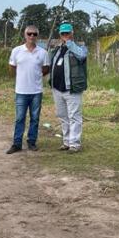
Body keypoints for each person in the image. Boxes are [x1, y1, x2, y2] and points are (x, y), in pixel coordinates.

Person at [7, 25, 50, 154]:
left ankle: (32, 141)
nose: (32, 36)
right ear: (25, 35)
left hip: (36, 91)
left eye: (34, 34)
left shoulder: (43, 53)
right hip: (21, 91)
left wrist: (35, 76)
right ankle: (17, 143)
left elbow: (46, 68)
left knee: (35, 118)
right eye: (29, 34)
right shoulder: (16, 51)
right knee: (20, 118)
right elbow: (12, 67)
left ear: (37, 36)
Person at [48, 22, 88, 152]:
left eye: (67, 33)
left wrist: (69, 43)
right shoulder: (58, 49)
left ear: (72, 33)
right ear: (59, 35)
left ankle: (74, 144)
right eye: (63, 33)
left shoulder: (80, 47)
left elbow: (82, 56)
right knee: (62, 116)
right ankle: (66, 142)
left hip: (72, 88)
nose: (65, 35)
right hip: (57, 88)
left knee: (74, 116)